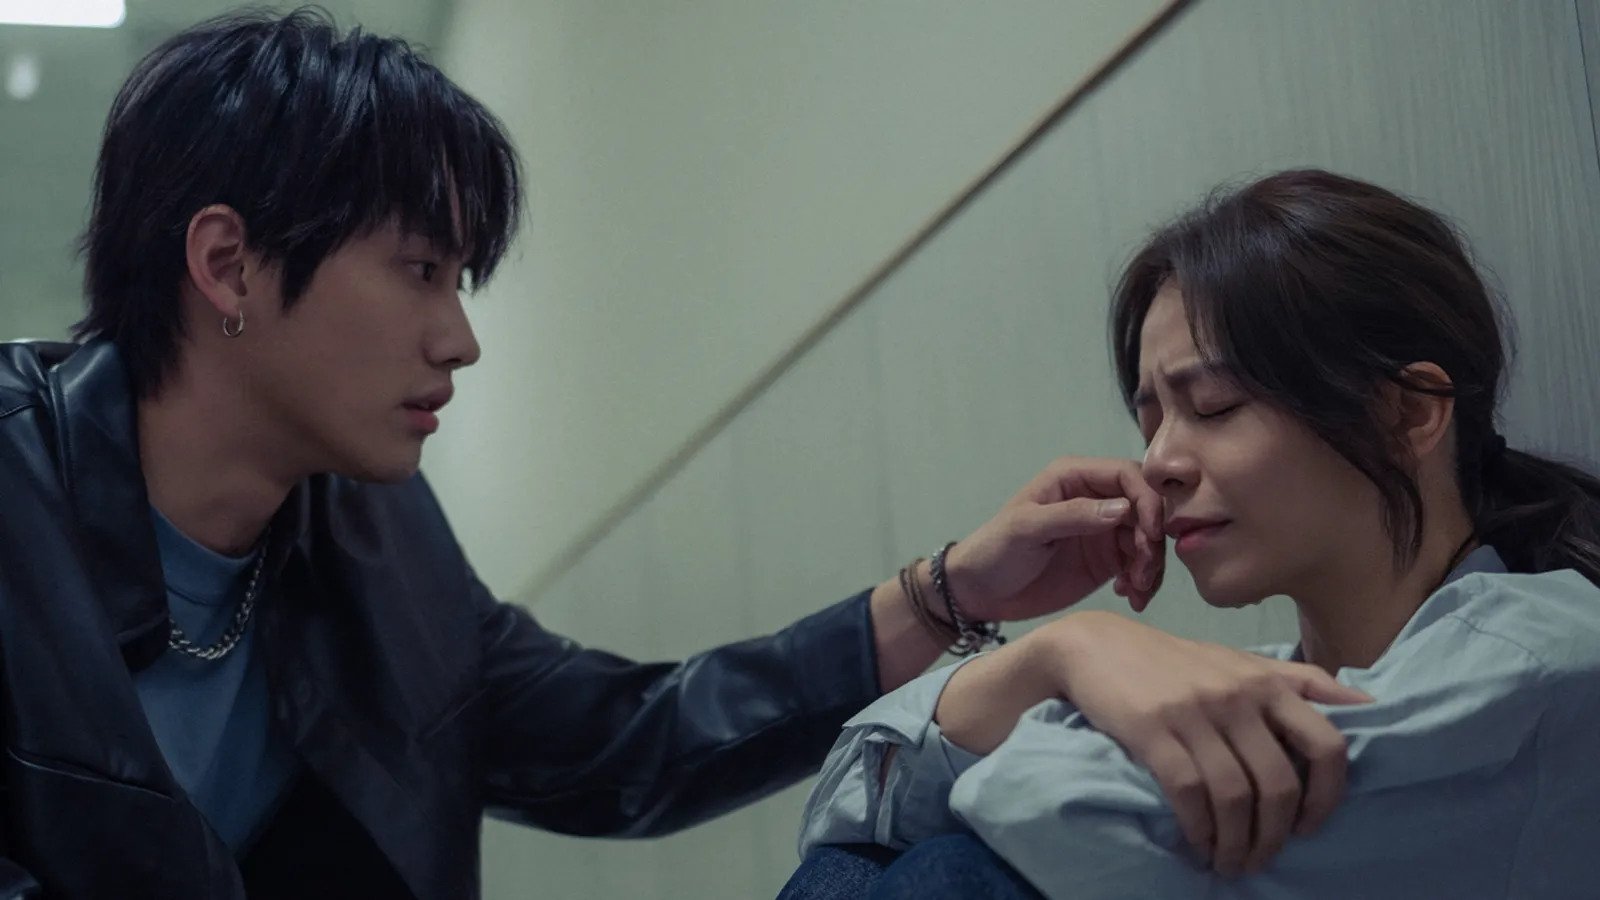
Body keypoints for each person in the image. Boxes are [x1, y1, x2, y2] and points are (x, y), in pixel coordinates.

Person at [0, 11, 1371, 899]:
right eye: (420, 271)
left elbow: (624, 744)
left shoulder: (368, 534)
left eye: (460, 281)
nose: (457, 340)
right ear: (227, 265)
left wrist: (951, 591)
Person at [785, 169, 1600, 899]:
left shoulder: (1537, 661)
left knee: (946, 873)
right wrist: (1060, 653)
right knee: (859, 871)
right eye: (1151, 422)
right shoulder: (1256, 689)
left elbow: (1054, 822)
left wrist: (1069, 669)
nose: (1158, 463)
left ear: (1409, 413)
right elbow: (856, 793)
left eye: (1214, 407)